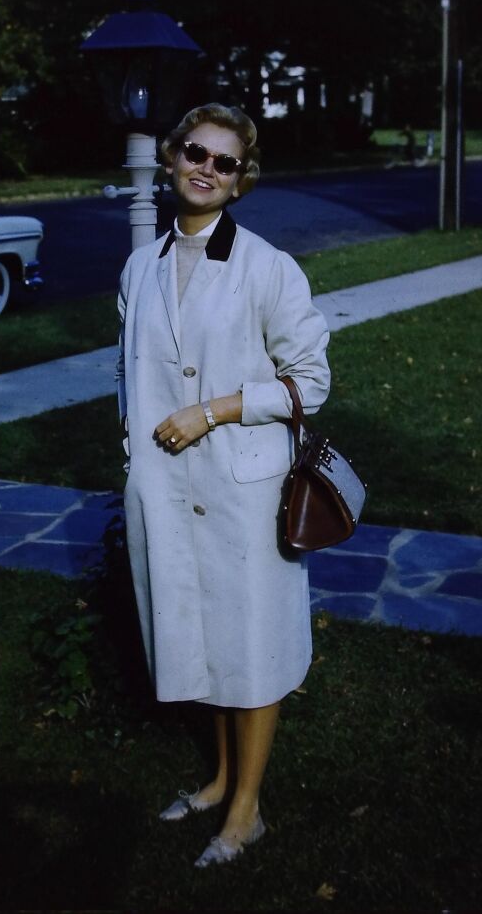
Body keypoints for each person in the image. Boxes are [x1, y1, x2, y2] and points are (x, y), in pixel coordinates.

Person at [116, 103, 330, 868]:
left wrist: (213, 411)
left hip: (245, 489)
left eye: (225, 162)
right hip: (168, 488)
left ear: (241, 182)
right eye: (195, 152)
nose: (206, 168)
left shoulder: (268, 266)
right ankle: (218, 778)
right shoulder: (140, 267)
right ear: (173, 159)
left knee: (254, 643)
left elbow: (310, 381)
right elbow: (129, 377)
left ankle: (247, 810)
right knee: (202, 636)